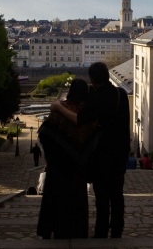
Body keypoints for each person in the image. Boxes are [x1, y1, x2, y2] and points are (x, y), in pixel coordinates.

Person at [51, 62, 131, 238]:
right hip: (120, 152)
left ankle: (101, 231)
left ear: (93, 80)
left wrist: (58, 107)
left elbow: (79, 119)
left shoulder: (96, 99)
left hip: (101, 154)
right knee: (117, 193)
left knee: (102, 195)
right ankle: (117, 229)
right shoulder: (121, 94)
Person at [37, 78, 96, 239]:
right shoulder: (87, 113)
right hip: (78, 168)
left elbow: (44, 134)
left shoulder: (59, 110)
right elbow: (91, 138)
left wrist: (52, 156)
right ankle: (77, 229)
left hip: (57, 165)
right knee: (76, 200)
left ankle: (54, 227)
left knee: (56, 199)